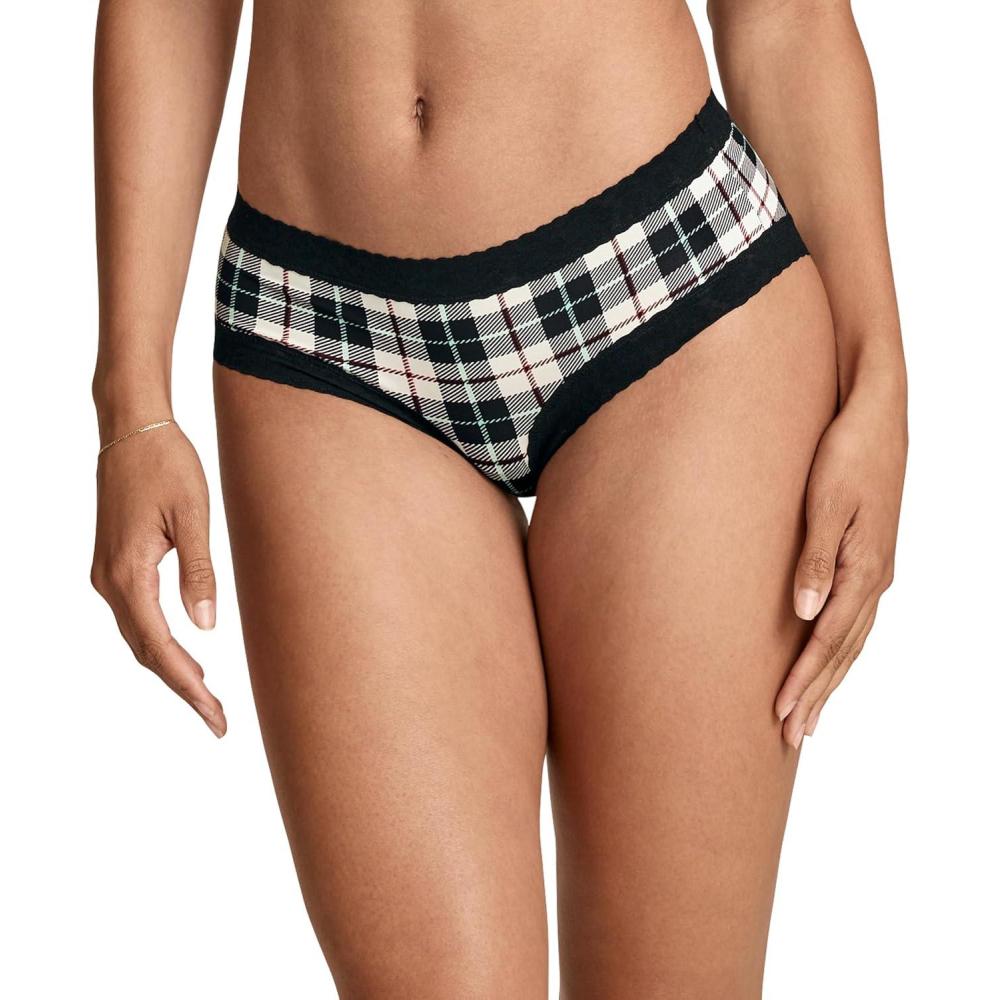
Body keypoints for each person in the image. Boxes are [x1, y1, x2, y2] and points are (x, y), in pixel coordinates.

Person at [90, 1, 907, 996]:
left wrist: (879, 377)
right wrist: (132, 406)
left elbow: (782, 17)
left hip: (663, 296)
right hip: (324, 339)